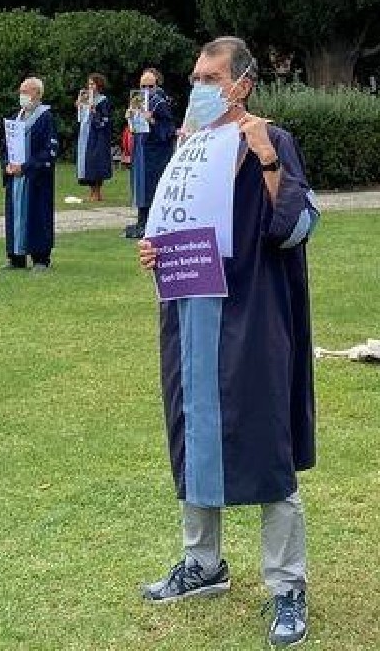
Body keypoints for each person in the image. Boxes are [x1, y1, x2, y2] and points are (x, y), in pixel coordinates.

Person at [136, 36, 318, 648]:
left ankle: (287, 586)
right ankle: (202, 565)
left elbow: (296, 226)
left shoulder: (271, 138)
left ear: (241, 83)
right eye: (196, 77)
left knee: (266, 439)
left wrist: (267, 159)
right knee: (193, 434)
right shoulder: (189, 146)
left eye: (212, 77)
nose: (201, 87)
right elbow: (170, 225)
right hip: (190, 311)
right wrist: (153, 251)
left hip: (252, 313)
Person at [2, 77, 59, 270]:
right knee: (15, 216)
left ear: (37, 94)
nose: (22, 96)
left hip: (35, 178)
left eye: (26, 92)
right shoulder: (15, 118)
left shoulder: (45, 118)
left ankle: (41, 259)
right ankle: (16, 257)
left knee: (38, 215)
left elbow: (48, 151)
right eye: (21, 92)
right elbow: (6, 147)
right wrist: (8, 166)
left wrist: (26, 167)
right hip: (16, 177)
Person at [125, 68, 179, 240]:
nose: (146, 90)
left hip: (156, 152)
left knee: (152, 186)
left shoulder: (160, 102)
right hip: (141, 148)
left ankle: (150, 222)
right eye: (143, 86)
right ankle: (141, 220)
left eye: (150, 86)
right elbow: (134, 129)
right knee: (140, 185)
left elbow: (169, 130)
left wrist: (152, 120)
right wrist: (130, 118)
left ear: (157, 85)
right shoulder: (138, 100)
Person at [76, 72, 115, 203]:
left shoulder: (103, 100)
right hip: (86, 133)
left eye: (92, 83)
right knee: (87, 162)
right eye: (89, 83)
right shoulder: (87, 98)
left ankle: (97, 191)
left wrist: (95, 112)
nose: (90, 86)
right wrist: (80, 106)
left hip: (98, 135)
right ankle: (91, 191)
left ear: (99, 85)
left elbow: (106, 119)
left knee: (96, 162)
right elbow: (81, 118)